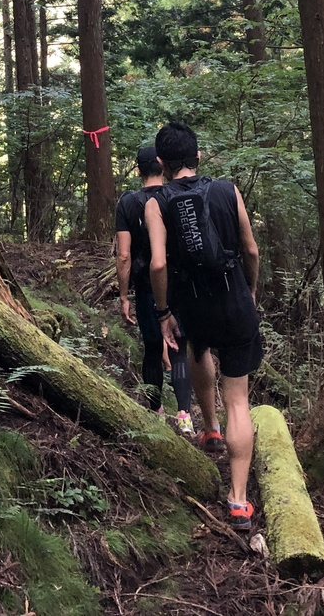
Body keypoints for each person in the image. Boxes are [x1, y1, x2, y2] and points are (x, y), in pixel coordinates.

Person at [145, 120, 262, 531]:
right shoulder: (227, 190)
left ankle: (210, 429)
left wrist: (163, 313)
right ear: (198, 155)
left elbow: (158, 263)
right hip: (234, 299)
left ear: (161, 162)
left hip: (193, 305)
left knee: (199, 349)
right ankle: (238, 500)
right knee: (239, 401)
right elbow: (251, 249)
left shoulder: (156, 203)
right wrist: (250, 290)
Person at [115, 145, 195, 433]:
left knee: (152, 348)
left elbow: (124, 255)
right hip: (179, 284)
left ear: (138, 170)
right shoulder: (174, 196)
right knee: (179, 348)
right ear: (162, 165)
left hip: (146, 285)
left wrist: (123, 295)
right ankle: (185, 416)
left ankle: (156, 413)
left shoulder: (128, 202)